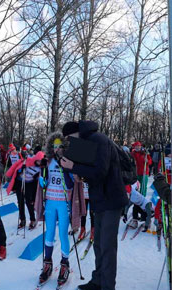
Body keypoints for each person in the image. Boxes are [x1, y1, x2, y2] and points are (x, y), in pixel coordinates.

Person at [59, 120, 128, 290]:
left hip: (111, 200)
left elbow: (101, 171)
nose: (70, 143)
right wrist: (79, 174)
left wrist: (74, 166)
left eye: (69, 139)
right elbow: (92, 171)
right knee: (98, 244)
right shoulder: (89, 141)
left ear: (75, 133)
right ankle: (98, 281)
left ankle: (107, 286)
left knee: (107, 246)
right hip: (100, 200)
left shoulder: (99, 140)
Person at [35, 133, 86, 288]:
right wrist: (42, 180)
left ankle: (65, 264)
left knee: (63, 233)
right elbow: (45, 180)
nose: (57, 149)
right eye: (54, 146)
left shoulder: (67, 162)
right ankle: (48, 263)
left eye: (60, 146)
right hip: (50, 201)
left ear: (64, 148)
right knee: (49, 232)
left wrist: (65, 169)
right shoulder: (48, 161)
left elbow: (72, 184)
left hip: (64, 203)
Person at [5, 150, 44, 230]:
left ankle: (32, 220)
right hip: (20, 182)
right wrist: (20, 169)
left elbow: (39, 178)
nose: (39, 163)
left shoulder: (41, 168)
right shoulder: (27, 161)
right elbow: (16, 167)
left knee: (29, 202)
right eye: (38, 161)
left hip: (30, 184)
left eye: (41, 161)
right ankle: (22, 220)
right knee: (20, 201)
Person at [131, 141, 151, 224]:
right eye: (136, 147)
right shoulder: (133, 153)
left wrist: (147, 161)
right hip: (136, 172)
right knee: (136, 187)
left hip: (144, 172)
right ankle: (137, 199)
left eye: (138, 147)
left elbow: (150, 162)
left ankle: (143, 198)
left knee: (143, 186)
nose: (137, 148)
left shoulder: (144, 153)